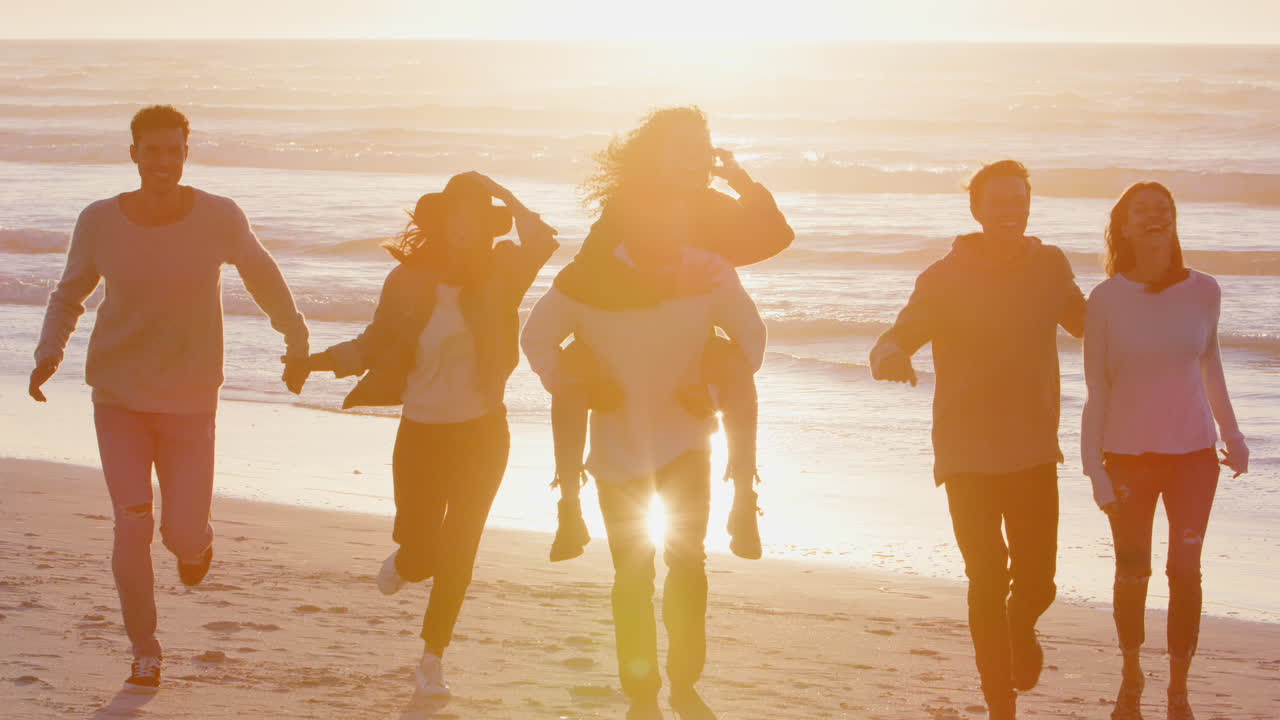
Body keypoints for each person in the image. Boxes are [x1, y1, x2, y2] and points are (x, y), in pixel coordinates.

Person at [29, 105, 311, 691]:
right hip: (118, 396)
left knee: (181, 535)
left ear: (187, 152)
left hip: (189, 398)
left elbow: (260, 271)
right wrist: (48, 352)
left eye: (173, 150)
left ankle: (195, 545)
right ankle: (145, 649)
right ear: (133, 154)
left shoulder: (219, 216)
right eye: (151, 150)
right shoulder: (99, 220)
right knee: (131, 525)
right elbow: (70, 292)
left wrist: (295, 332)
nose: (162, 161)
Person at [298, 172, 557, 698]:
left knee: (460, 548)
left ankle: (432, 660)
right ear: (443, 223)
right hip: (421, 432)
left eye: (478, 218)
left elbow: (544, 239)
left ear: (487, 225)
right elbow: (375, 343)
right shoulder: (409, 281)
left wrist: (503, 193)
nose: (467, 227)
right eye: (457, 216)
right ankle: (406, 560)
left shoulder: (503, 272)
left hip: (483, 431)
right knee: (421, 552)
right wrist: (318, 362)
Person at [868, 160, 1085, 719]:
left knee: (1038, 582)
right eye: (1000, 200)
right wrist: (888, 356)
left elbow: (1086, 323)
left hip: (1033, 447)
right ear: (978, 209)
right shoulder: (944, 277)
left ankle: (1021, 630)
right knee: (986, 578)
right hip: (966, 452)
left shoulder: (1049, 264)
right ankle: (999, 704)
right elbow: (898, 335)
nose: (1012, 208)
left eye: (1020, 198)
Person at [548, 106, 792, 564]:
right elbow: (589, 272)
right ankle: (568, 502)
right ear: (657, 155)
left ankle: (743, 498)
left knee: (735, 367)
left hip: (689, 334)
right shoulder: (628, 206)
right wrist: (663, 284)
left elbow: (777, 236)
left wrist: (737, 177)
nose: (693, 156)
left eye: (701, 147)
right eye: (681, 147)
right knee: (573, 372)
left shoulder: (711, 207)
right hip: (620, 324)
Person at [1081, 182, 1249, 720]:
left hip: (1194, 457)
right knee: (1133, 569)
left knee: (1186, 569)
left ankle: (1178, 690)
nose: (1154, 217)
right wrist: (1094, 470)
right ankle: (1131, 672)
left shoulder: (1205, 290)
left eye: (1163, 210)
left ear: (1174, 222)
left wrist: (1234, 434)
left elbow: (1211, 365)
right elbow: (1097, 390)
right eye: (1142, 211)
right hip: (1127, 457)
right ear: (1124, 226)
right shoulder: (1106, 299)